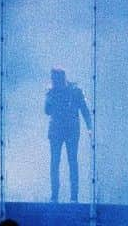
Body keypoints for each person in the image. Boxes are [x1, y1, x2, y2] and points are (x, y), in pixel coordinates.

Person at [44, 67, 92, 203]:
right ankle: (54, 197)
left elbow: (85, 109)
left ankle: (74, 197)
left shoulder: (75, 91)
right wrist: (49, 96)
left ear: (62, 78)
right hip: (56, 131)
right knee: (54, 162)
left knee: (72, 162)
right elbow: (47, 111)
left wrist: (89, 127)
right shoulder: (52, 91)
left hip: (71, 131)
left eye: (55, 79)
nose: (54, 82)